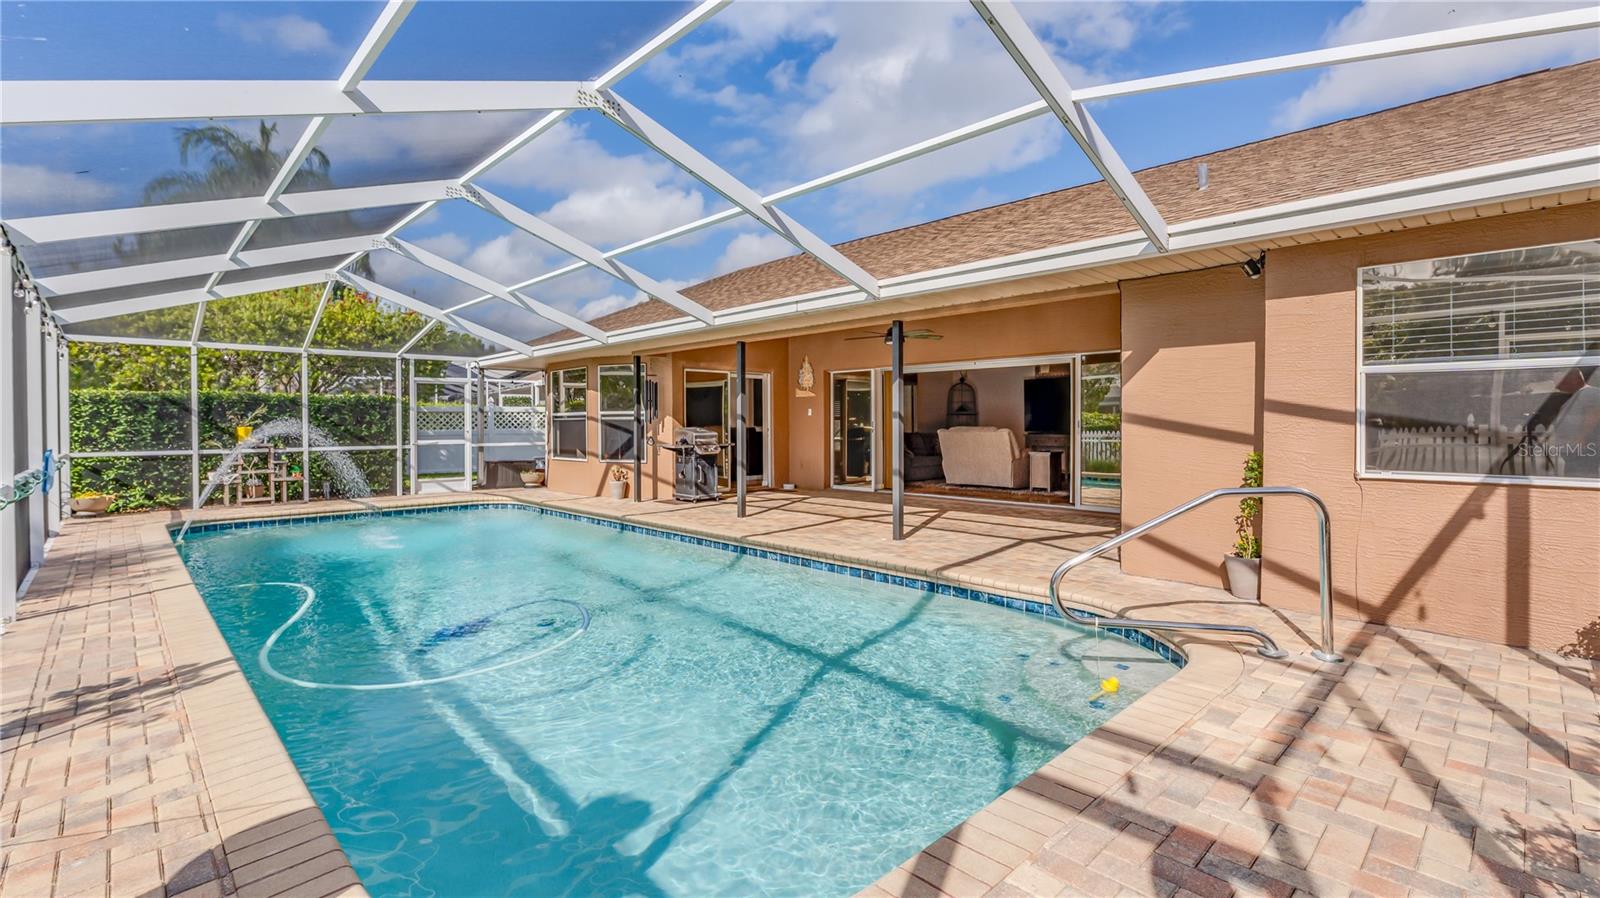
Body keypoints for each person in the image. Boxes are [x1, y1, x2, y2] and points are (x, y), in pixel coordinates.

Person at [1545, 365, 1600, 478]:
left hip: (1583, 450)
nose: (1558, 387)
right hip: (1573, 450)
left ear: (1574, 379)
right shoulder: (1576, 396)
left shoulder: (1590, 393)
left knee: (1581, 478)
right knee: (1573, 476)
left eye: (1561, 383)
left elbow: (1593, 415)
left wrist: (1581, 437)